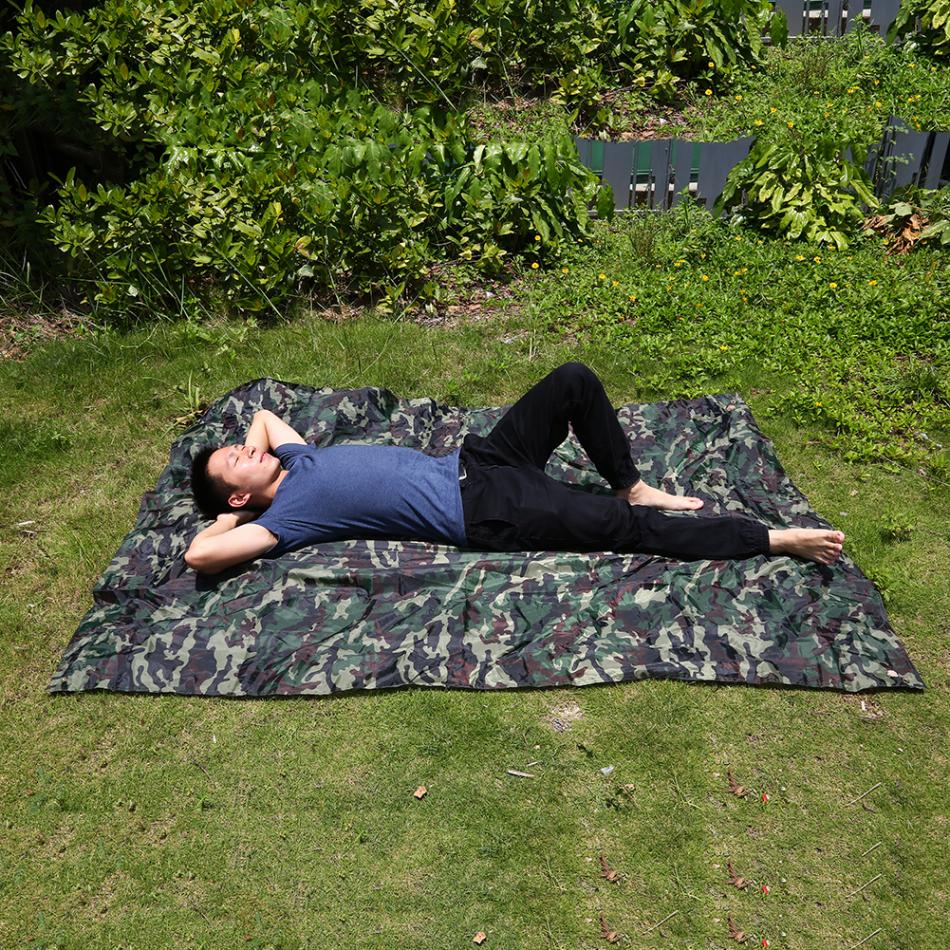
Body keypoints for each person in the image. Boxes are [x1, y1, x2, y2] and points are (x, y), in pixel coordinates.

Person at [185, 362, 845, 575]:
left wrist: (240, 466)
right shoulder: (287, 518)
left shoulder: (293, 458)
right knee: (627, 530)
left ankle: (633, 482)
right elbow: (199, 557)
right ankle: (771, 539)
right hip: (488, 510)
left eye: (238, 448)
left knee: (572, 381)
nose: (247, 450)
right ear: (239, 500)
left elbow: (264, 418)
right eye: (236, 462)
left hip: (482, 461)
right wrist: (224, 518)